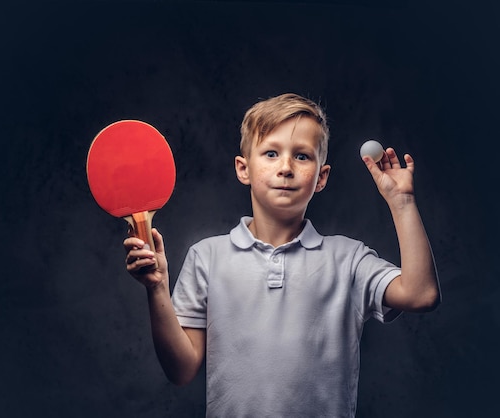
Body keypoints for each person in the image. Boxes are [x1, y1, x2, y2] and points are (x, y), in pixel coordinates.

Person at [123, 93, 441, 417]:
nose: (286, 168)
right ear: (243, 168)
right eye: (271, 153)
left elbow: (422, 294)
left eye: (302, 156)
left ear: (322, 177)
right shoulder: (206, 257)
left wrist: (402, 204)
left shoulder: (348, 259)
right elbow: (180, 370)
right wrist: (157, 288)